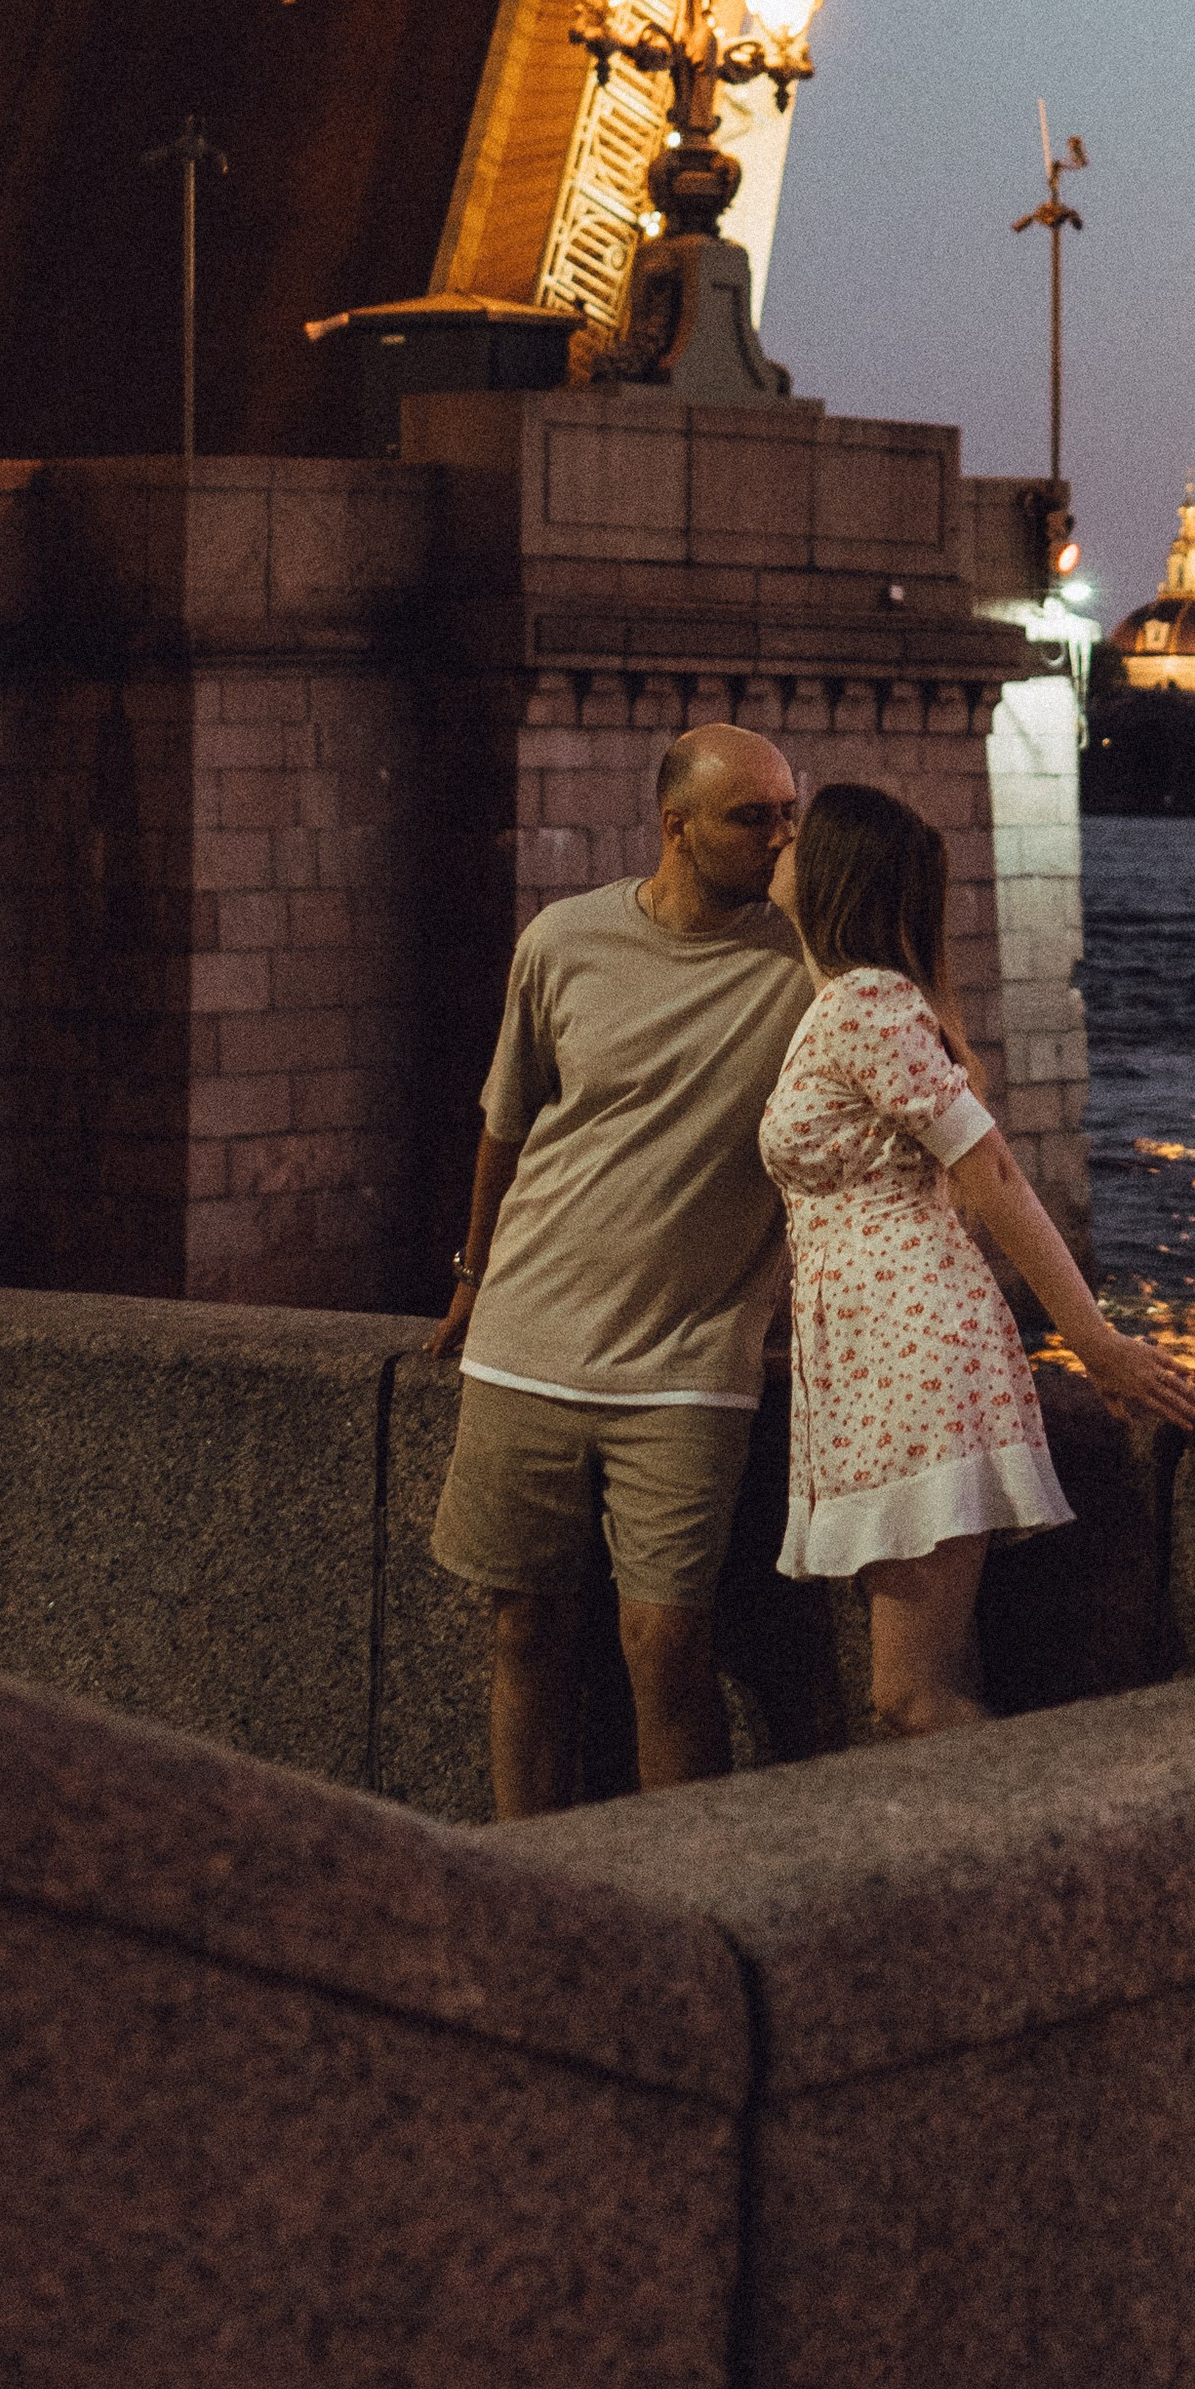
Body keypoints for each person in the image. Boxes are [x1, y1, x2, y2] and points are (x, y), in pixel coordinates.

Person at [762, 780, 1195, 1738]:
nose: (779, 842)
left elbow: (994, 1172)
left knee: (908, 1698)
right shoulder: (843, 1005)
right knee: (937, 1680)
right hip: (872, 1362)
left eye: (800, 832)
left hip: (913, 1356)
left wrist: (1095, 1342)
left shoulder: (867, 1008)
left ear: (833, 871)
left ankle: (1045, 1845)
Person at [426, 722, 811, 1817]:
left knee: (668, 1643)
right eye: (753, 818)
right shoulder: (563, 940)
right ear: (674, 828)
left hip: (689, 1365)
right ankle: (527, 1875)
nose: (780, 839)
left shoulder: (807, 961)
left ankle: (676, 1897)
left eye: (790, 812)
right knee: (526, 1630)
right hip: (524, 1346)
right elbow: (507, 1121)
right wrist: (472, 1274)